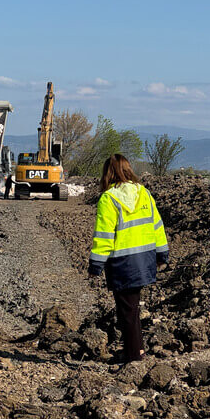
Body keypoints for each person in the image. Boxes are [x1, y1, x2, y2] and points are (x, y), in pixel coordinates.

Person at [88, 154, 168, 363]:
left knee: (127, 311)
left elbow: (104, 235)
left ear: (108, 173)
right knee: (132, 308)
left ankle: (134, 354)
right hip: (145, 260)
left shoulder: (108, 199)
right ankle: (137, 350)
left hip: (122, 263)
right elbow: (157, 226)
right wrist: (162, 254)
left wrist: (96, 264)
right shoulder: (144, 193)